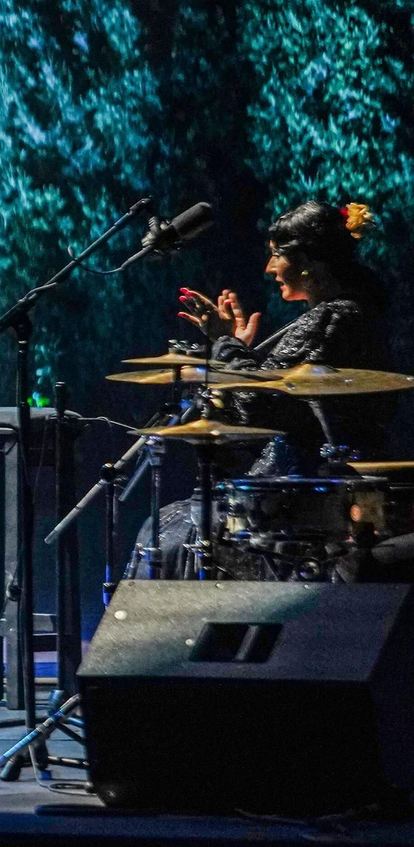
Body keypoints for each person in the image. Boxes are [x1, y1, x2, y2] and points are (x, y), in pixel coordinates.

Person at [131, 200, 391, 577]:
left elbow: (259, 405)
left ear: (307, 261)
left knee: (172, 534)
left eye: (276, 256)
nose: (269, 268)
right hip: (298, 492)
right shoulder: (343, 314)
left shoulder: (332, 319)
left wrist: (227, 344)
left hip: (306, 504)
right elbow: (274, 406)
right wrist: (233, 352)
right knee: (176, 521)